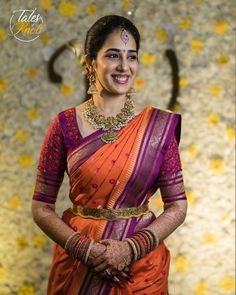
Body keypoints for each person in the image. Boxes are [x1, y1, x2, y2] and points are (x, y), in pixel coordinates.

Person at [32, 14, 187, 295]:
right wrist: (86, 249)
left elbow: (177, 206)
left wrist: (131, 248)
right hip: (78, 265)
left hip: (141, 267)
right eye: (113, 56)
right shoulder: (64, 125)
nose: (124, 67)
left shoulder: (158, 127)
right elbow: (41, 207)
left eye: (132, 57)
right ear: (89, 63)